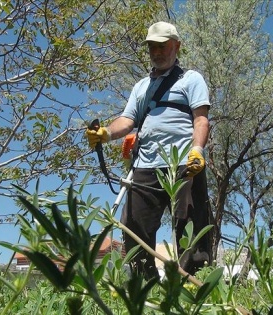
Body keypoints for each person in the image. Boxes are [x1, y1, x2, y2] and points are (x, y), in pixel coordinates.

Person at [86, 21, 211, 279]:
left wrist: (197, 149)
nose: (157, 51)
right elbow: (127, 120)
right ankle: (143, 288)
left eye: (162, 45)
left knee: (191, 227)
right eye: (152, 46)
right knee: (133, 224)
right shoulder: (142, 87)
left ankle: (195, 288)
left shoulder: (191, 79)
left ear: (176, 46)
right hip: (145, 165)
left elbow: (200, 119)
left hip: (184, 163)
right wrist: (106, 133)